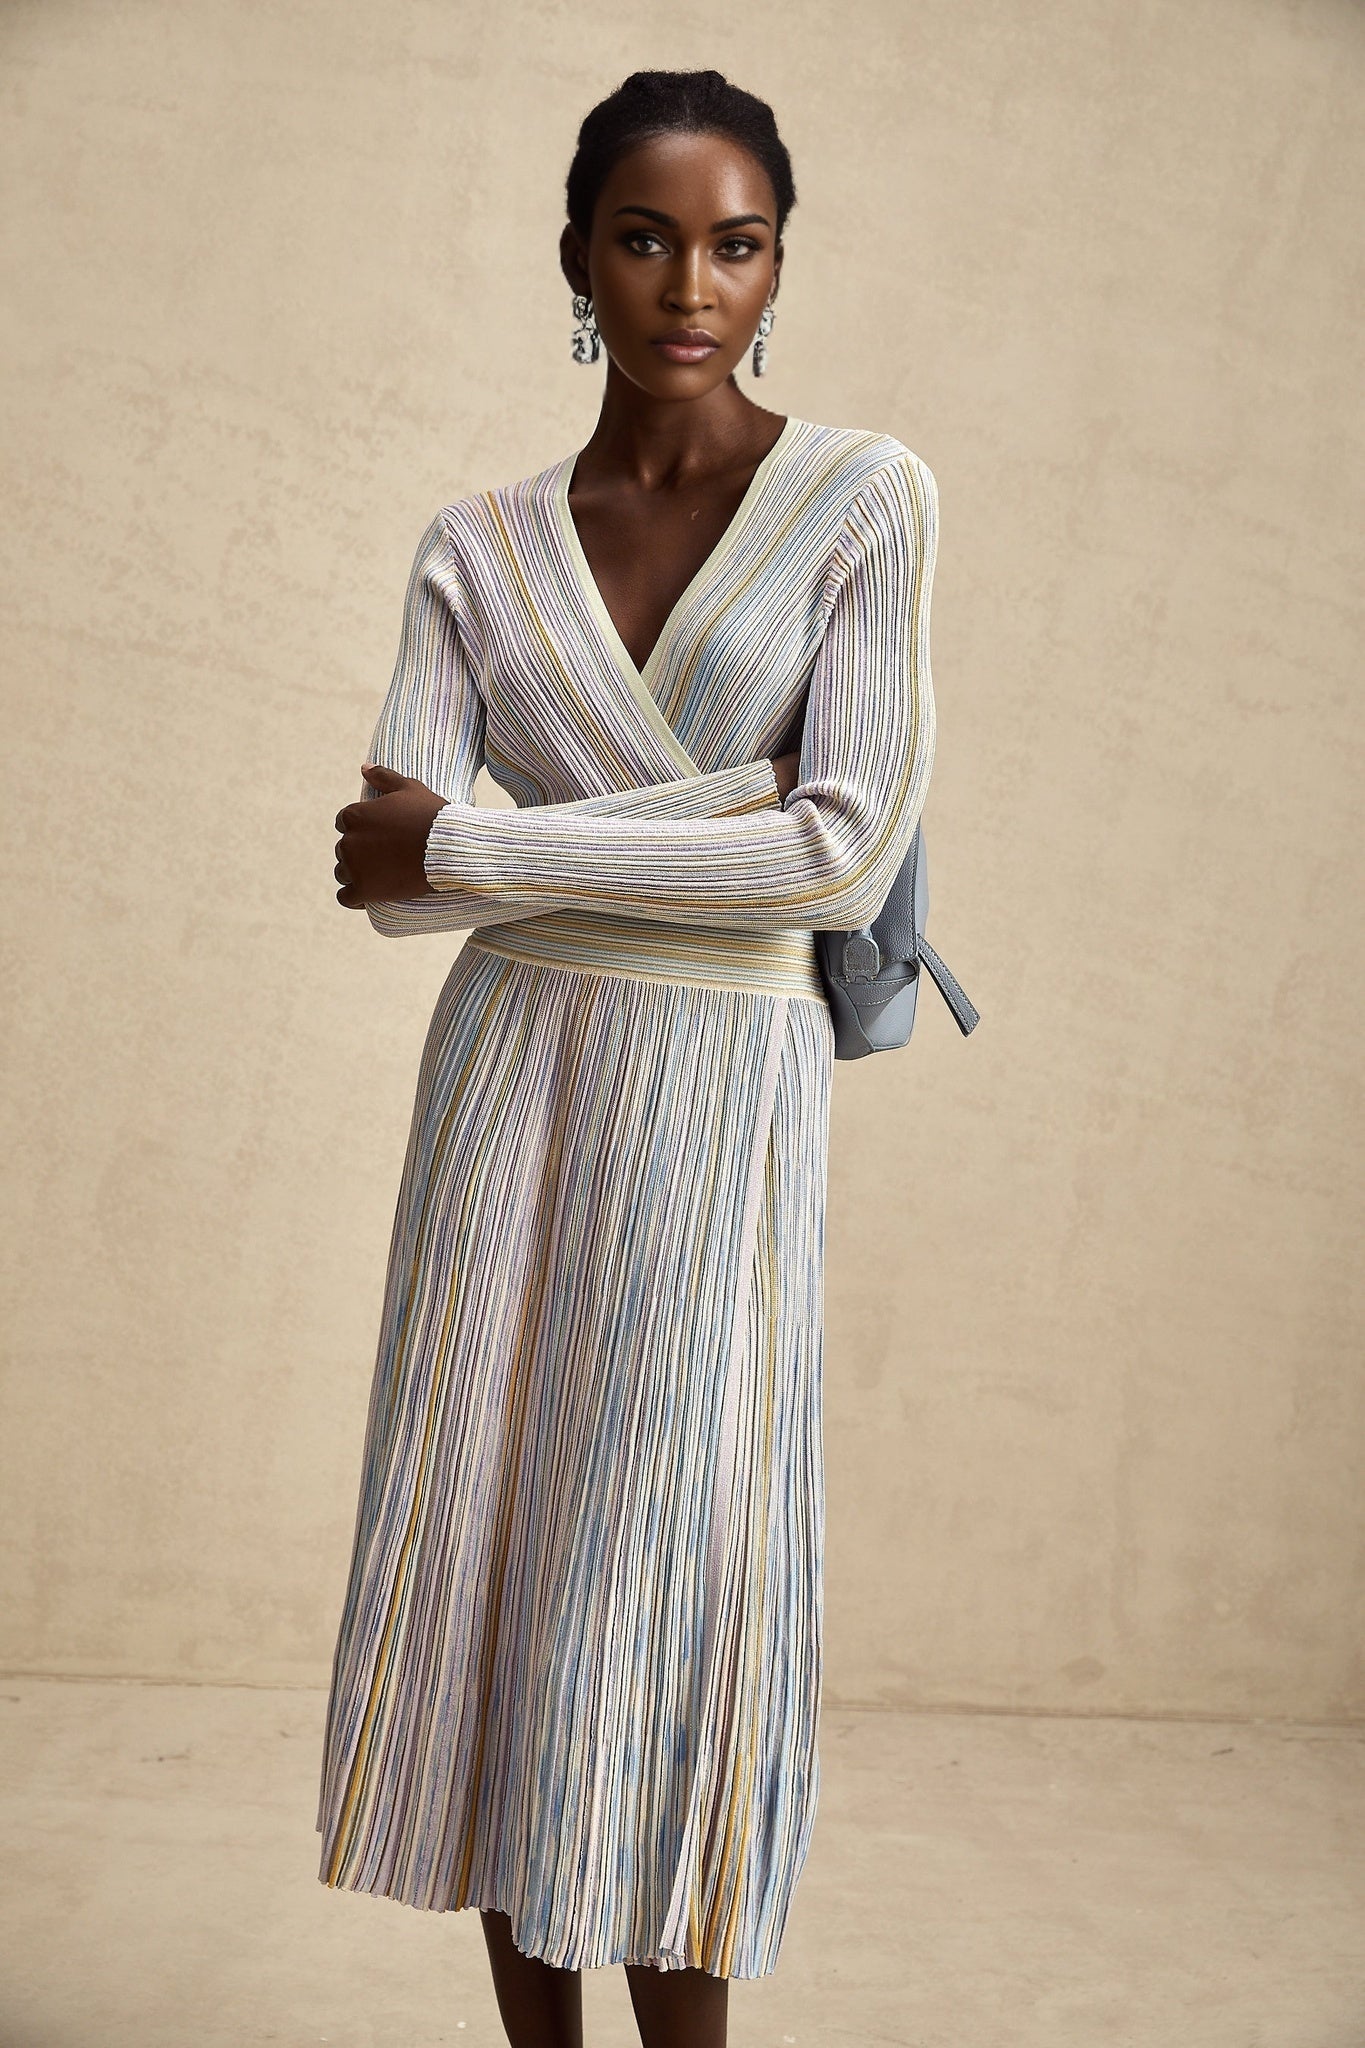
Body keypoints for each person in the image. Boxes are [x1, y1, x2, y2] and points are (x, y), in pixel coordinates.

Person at [320, 66, 939, 2048]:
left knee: (662, 1595)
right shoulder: (478, 544)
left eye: (736, 243)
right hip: (508, 1079)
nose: (693, 284)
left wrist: (488, 841)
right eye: (648, 238)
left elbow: (838, 849)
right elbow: (380, 883)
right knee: (497, 1570)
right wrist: (709, 826)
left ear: (776, 266)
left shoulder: (864, 498)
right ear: (578, 260)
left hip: (721, 1089)